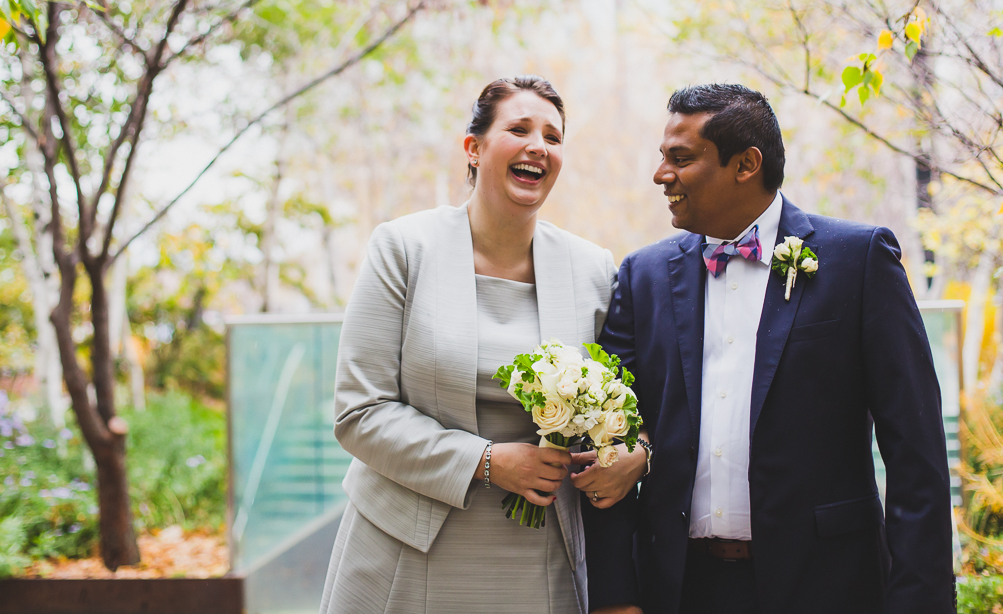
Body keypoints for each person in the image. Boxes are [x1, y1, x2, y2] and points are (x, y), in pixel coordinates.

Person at [579, 84, 955, 614]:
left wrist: (920, 603)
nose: (661, 175)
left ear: (746, 164)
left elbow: (916, 457)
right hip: (677, 590)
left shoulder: (859, 261)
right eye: (663, 158)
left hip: (828, 588)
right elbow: (603, 437)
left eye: (680, 159)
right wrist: (615, 597)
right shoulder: (642, 278)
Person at [320, 75, 646, 614]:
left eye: (553, 137)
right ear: (473, 148)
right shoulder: (403, 249)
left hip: (541, 554)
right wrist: (488, 461)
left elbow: (630, 402)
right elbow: (360, 412)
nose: (538, 146)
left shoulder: (594, 269)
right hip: (404, 546)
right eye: (519, 129)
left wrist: (634, 450)